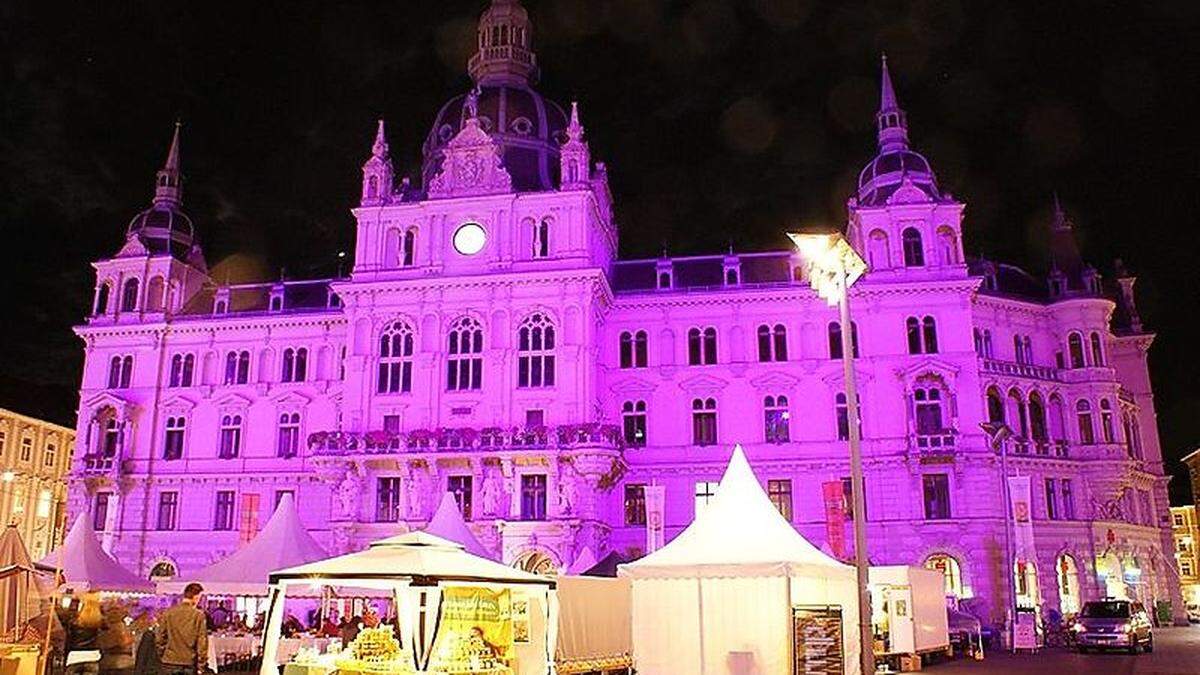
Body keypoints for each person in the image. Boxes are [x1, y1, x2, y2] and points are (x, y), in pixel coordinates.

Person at [155, 583, 209, 675]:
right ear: (196, 597)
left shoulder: (168, 613)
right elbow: (202, 641)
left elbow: (159, 638)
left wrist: (162, 654)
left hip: (169, 660)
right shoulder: (198, 615)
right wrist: (201, 665)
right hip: (188, 661)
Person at [63, 592, 103, 675]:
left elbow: (68, 640)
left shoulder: (74, 623)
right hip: (93, 656)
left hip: (75, 657)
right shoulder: (99, 622)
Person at [96, 602, 135, 675]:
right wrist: (131, 639)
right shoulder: (121, 626)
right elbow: (123, 642)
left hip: (105, 661)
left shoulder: (103, 626)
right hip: (124, 662)